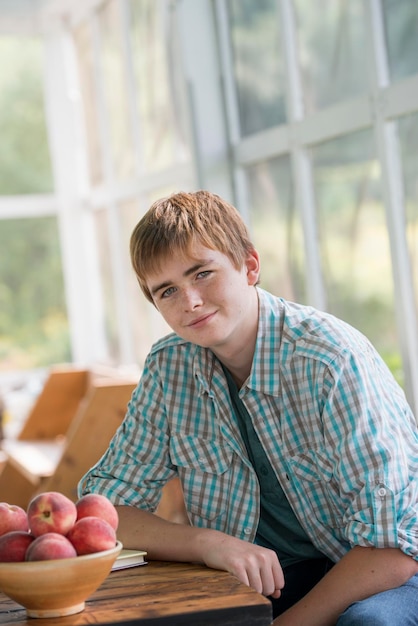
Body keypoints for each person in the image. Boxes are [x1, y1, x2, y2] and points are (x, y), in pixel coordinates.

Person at [78, 190, 418, 625]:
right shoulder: (170, 368)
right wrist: (211, 543)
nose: (190, 302)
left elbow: (393, 548)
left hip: (383, 572)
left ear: (250, 266)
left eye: (202, 273)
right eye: (166, 291)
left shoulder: (330, 360)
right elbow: (104, 511)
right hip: (274, 576)